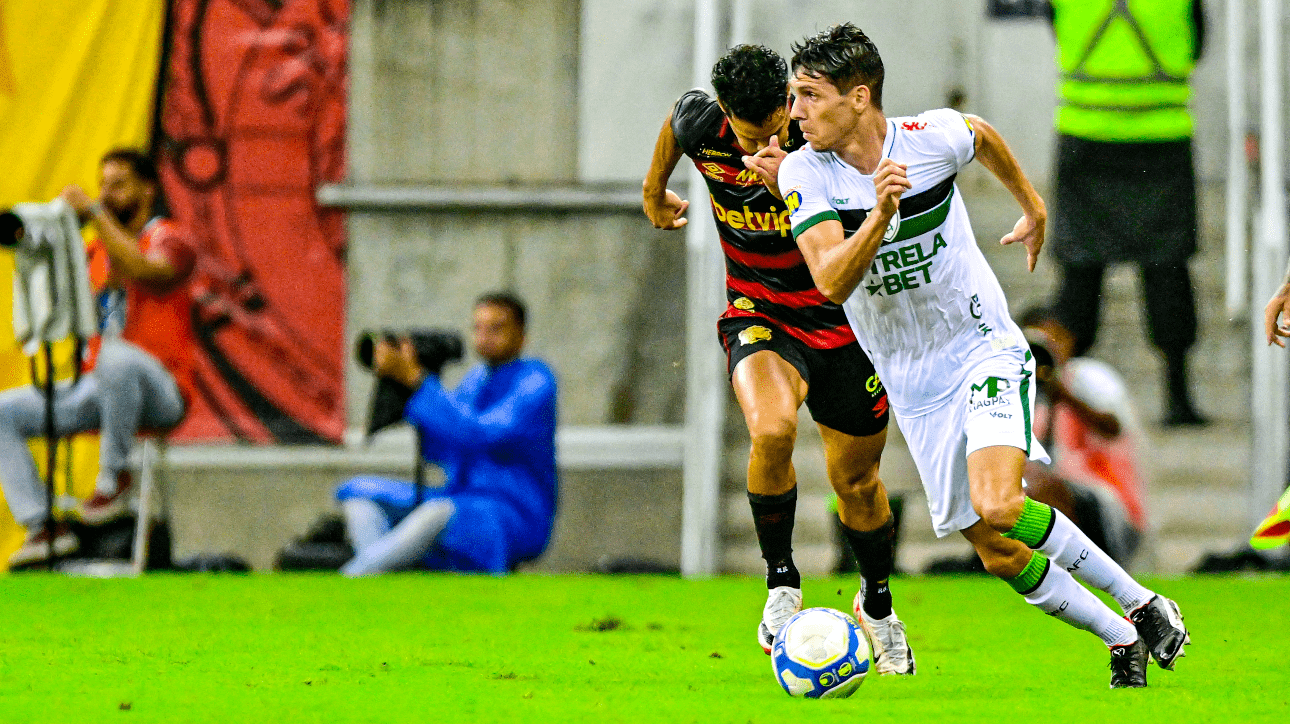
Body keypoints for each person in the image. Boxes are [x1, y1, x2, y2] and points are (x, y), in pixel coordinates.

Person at [748, 22, 1189, 688]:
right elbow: (833, 279)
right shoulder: (807, 173)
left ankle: (1145, 602)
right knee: (996, 550)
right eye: (793, 96)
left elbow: (978, 133)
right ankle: (1121, 636)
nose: (796, 112)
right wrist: (879, 213)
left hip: (980, 346)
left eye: (810, 95)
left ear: (859, 96)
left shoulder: (928, 140)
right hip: (912, 381)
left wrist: (1034, 206)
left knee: (1001, 503)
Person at [642, 44, 913, 672]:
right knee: (771, 429)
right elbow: (675, 125)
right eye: (748, 136)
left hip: (842, 321)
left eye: (772, 131)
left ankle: (877, 603)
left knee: (857, 484)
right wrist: (655, 190)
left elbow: (870, 215)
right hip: (760, 310)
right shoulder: (703, 125)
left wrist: (791, 177)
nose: (758, 145)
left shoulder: (823, 139)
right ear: (728, 117)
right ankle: (782, 584)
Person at [0, 148, 197, 568]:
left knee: (116, 358)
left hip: (162, 391)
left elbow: (147, 271)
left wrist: (93, 212)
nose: (106, 193)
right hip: (99, 389)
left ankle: (112, 479)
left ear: (148, 189)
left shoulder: (170, 236)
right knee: (3, 411)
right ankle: (43, 524)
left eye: (118, 184)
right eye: (102, 184)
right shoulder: (94, 252)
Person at [1046, 0, 1208, 426]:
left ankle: (1061, 396)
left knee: (1081, 271)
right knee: (1167, 267)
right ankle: (1178, 396)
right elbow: (1197, 45)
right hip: (1161, 136)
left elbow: (1055, 27)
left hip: (1086, 134)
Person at [335, 292, 558, 576]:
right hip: (459, 497)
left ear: (522, 335)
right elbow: (442, 451)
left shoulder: (536, 381)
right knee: (360, 495)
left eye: (497, 328)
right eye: (478, 327)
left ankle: (356, 576)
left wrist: (417, 380)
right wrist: (404, 390)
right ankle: (382, 582)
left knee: (437, 512)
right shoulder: (476, 380)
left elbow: (480, 433)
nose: (485, 336)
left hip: (511, 511)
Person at [1020, 307, 1147, 566]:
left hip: (1107, 497)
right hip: (1044, 496)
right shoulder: (1014, 387)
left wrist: (1065, 395)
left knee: (1043, 492)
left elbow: (1113, 428)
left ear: (1069, 340)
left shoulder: (1090, 376)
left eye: (1050, 341)